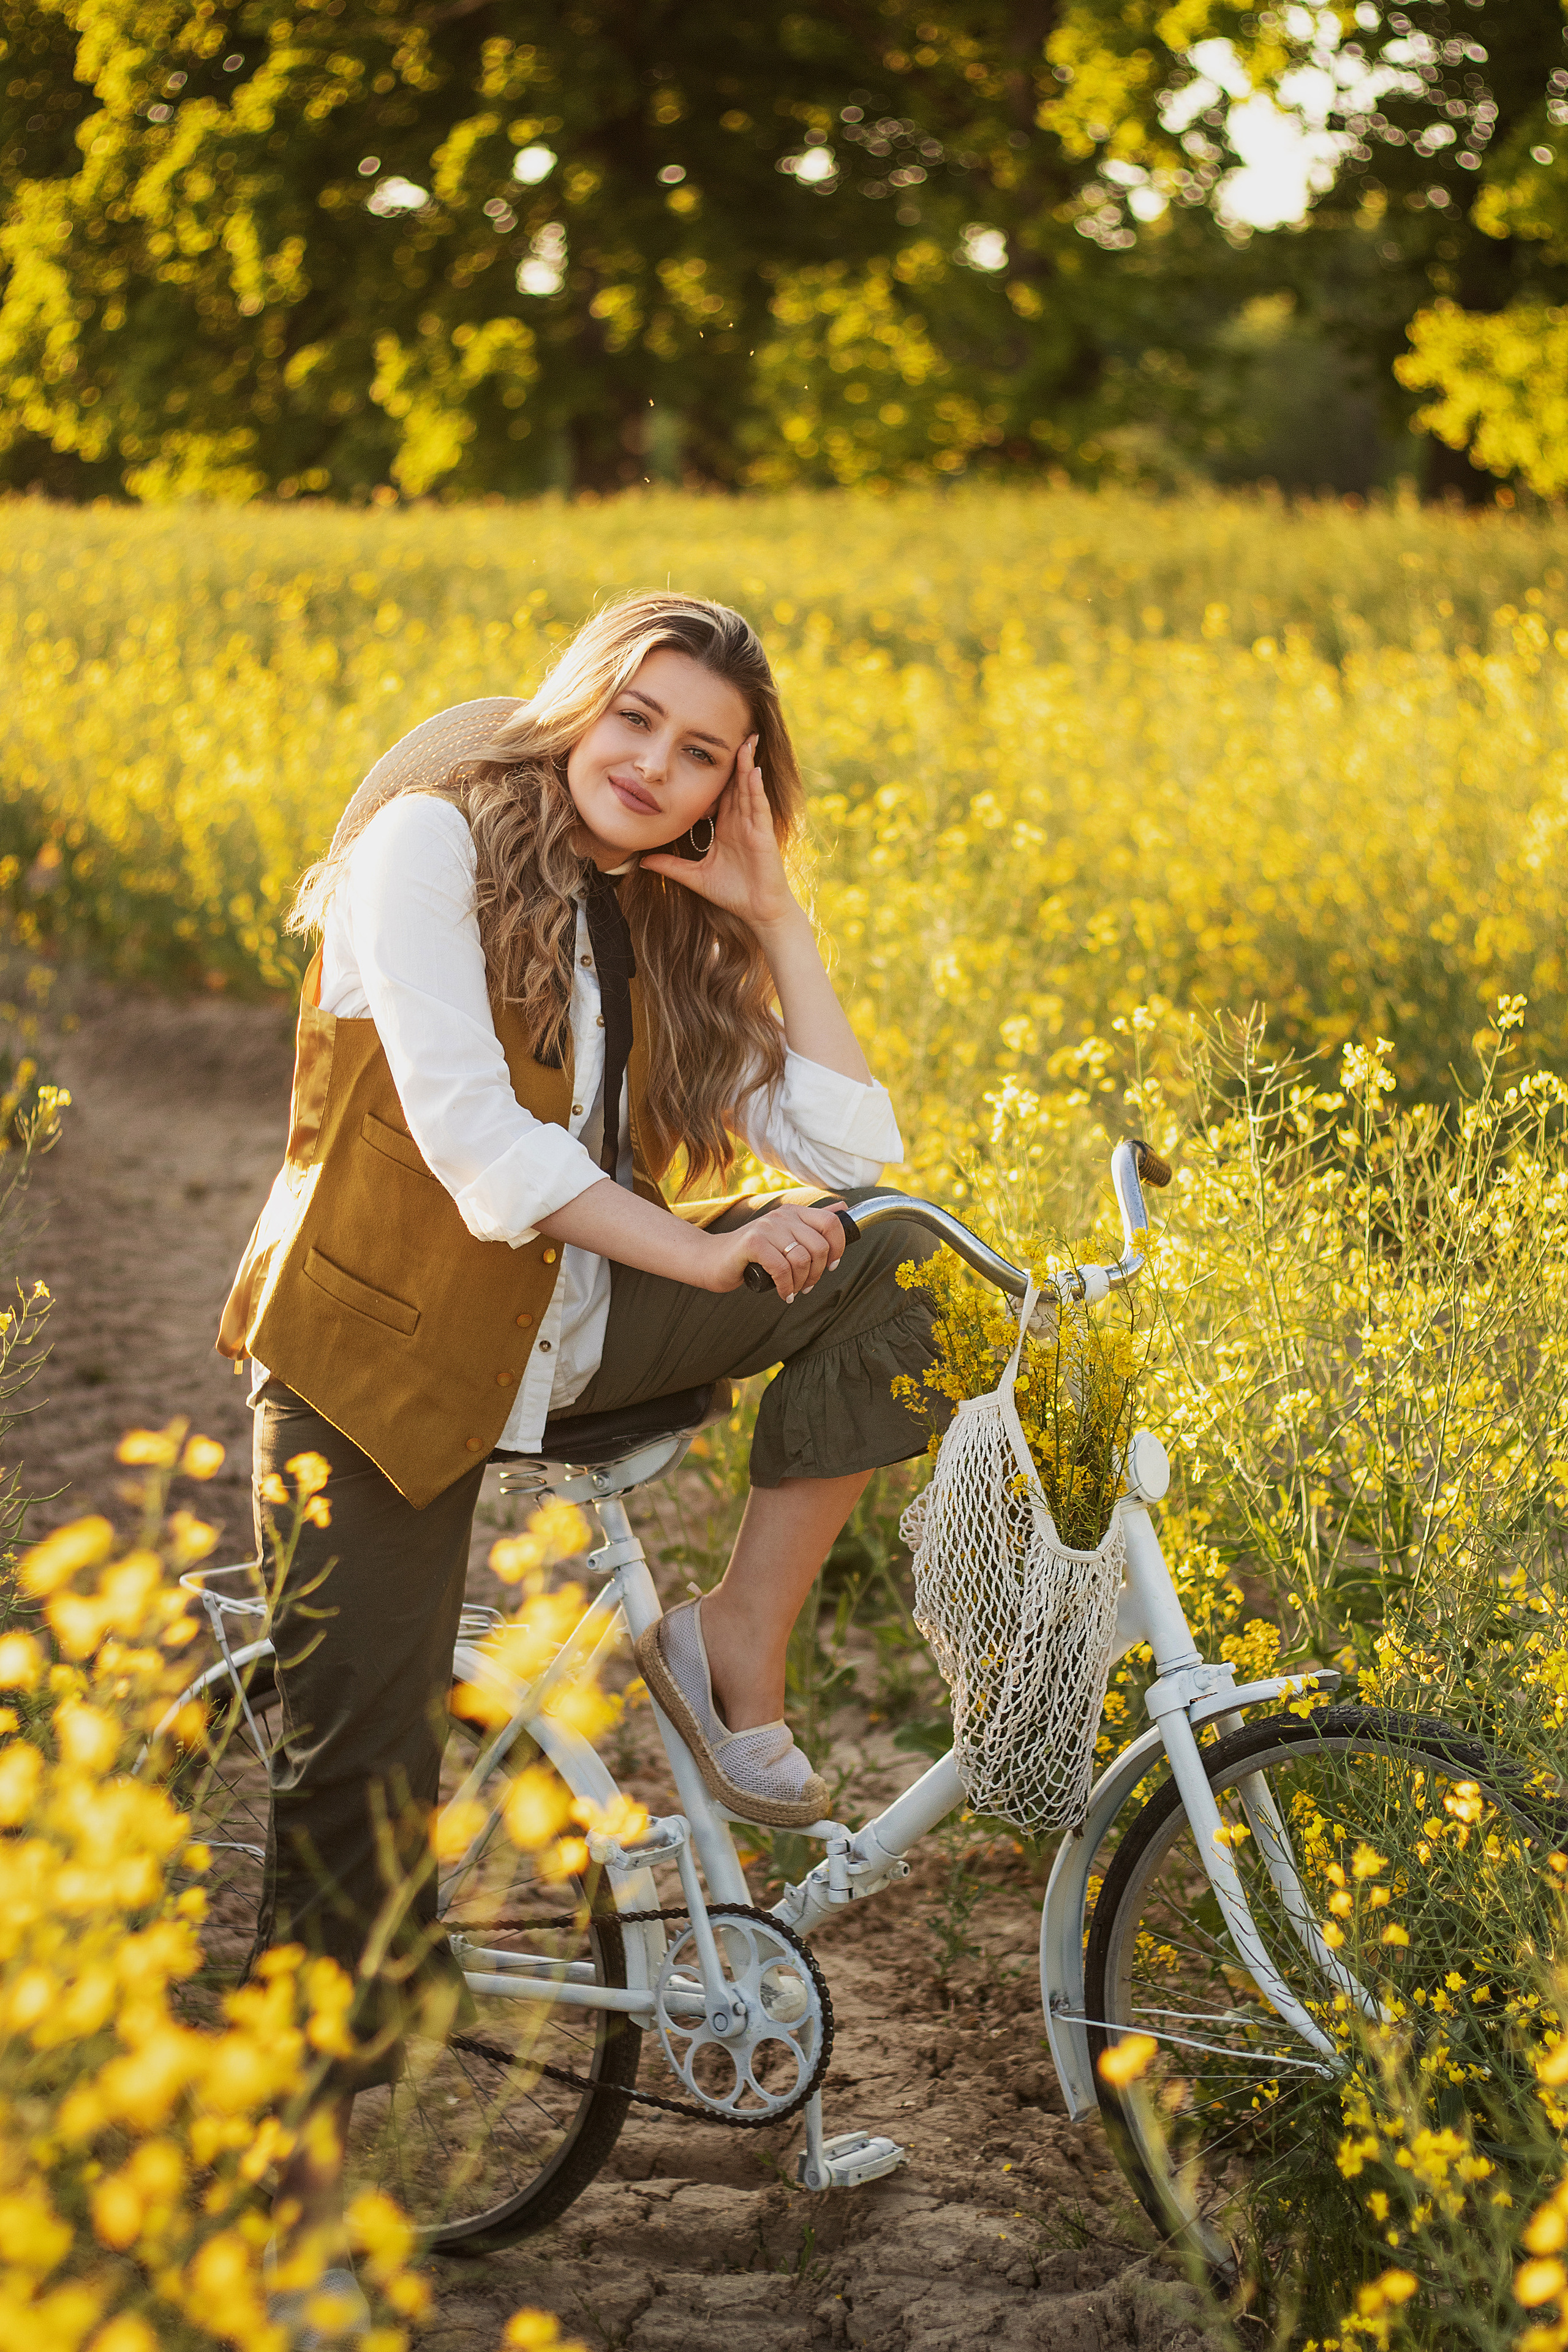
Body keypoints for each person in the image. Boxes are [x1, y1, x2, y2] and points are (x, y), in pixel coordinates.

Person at [217, 590, 940, 2311]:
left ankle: (730, 1642)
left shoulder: (669, 916)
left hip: (571, 1336)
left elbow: (856, 1154)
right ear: (576, 702)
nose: (653, 767)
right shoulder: (429, 845)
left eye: (701, 755)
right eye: (637, 719)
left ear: (731, 791)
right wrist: (704, 1252)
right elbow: (477, 1142)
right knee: (358, 1786)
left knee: (906, 1263)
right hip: (379, 1359)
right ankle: (295, 2193)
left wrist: (772, 912)